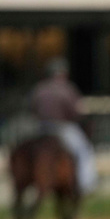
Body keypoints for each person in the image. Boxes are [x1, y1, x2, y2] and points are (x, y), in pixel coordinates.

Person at [29, 57, 97, 195]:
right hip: (62, 128)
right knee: (84, 149)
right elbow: (76, 113)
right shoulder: (67, 88)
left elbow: (32, 109)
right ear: (62, 73)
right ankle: (87, 183)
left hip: (41, 129)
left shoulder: (39, 88)